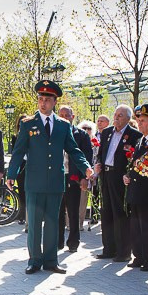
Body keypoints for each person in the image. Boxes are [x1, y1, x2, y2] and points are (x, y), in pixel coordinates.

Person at [7, 80, 92, 274]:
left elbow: (74, 150)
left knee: (53, 222)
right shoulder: (28, 124)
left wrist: (86, 167)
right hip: (34, 181)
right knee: (35, 223)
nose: (43, 103)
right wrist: (11, 173)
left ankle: (51, 261)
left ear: (54, 102)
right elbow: (18, 151)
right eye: (40, 99)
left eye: (47, 100)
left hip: (55, 181)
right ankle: (34, 260)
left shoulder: (63, 125)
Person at [94, 105, 141, 261]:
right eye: (115, 114)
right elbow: (101, 153)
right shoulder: (107, 132)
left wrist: (129, 174)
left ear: (128, 118)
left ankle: (123, 252)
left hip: (120, 177)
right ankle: (108, 249)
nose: (116, 117)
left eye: (120, 115)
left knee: (120, 213)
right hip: (106, 175)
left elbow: (136, 158)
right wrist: (98, 163)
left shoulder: (134, 135)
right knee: (106, 211)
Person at [123, 104, 148, 271]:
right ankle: (138, 256)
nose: (139, 124)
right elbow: (135, 164)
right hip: (136, 189)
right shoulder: (141, 140)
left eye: (143, 121)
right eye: (138, 121)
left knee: (147, 227)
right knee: (135, 226)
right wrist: (127, 175)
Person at [56, 105, 91, 251]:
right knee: (57, 212)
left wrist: (84, 177)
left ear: (73, 117)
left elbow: (86, 156)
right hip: (57, 177)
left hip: (73, 177)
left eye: (67, 115)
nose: (64, 118)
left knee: (73, 211)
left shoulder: (81, 135)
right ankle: (58, 242)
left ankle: (73, 242)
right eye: (61, 115)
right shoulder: (54, 132)